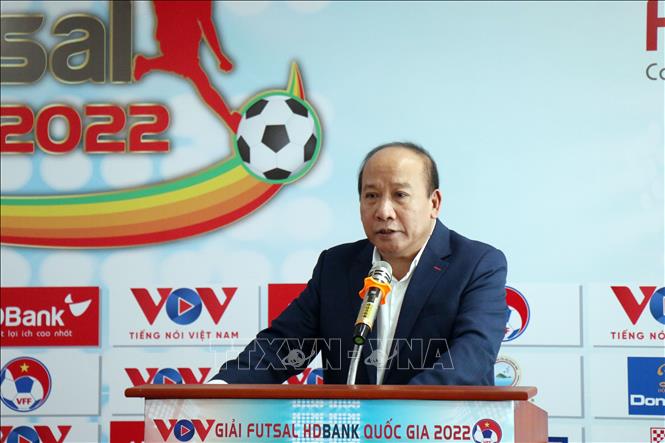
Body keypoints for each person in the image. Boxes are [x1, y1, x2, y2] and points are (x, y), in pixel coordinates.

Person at [210, 142, 507, 385]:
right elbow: (283, 347)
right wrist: (221, 388)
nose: (384, 211)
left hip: (441, 429)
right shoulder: (336, 266)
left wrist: (399, 412)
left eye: (400, 195)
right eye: (372, 196)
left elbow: (472, 356)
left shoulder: (476, 264)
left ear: (434, 203)